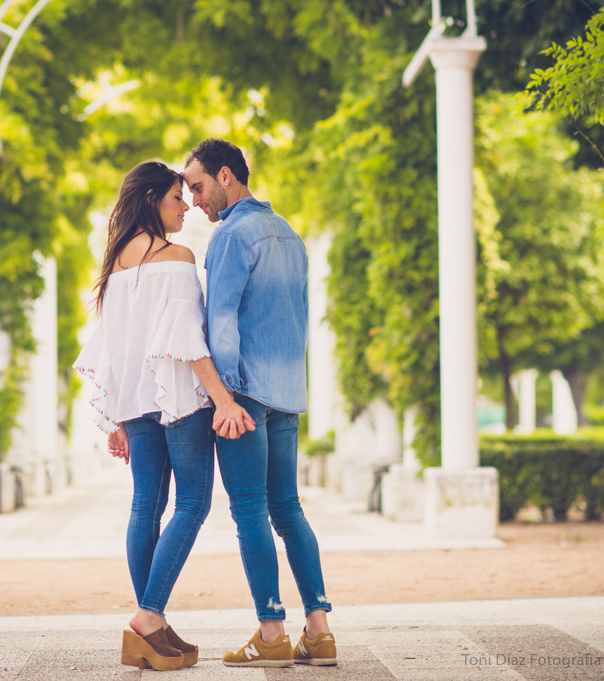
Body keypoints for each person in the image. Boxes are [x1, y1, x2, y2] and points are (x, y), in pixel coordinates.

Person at [73, 160, 255, 671]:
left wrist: (115, 420)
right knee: (194, 504)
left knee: (145, 507)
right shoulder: (178, 257)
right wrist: (223, 398)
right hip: (177, 399)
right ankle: (149, 615)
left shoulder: (114, 266)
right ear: (153, 199)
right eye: (177, 196)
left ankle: (152, 627)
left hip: (134, 403)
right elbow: (187, 343)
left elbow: (112, 347)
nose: (185, 206)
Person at [183, 138, 336, 668]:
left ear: (227, 176)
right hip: (287, 393)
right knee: (288, 509)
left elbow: (219, 320)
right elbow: (298, 317)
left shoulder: (230, 235)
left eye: (198, 187)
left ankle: (271, 631)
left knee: (249, 510)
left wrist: (222, 398)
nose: (196, 201)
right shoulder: (289, 234)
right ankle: (318, 632)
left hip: (243, 397)